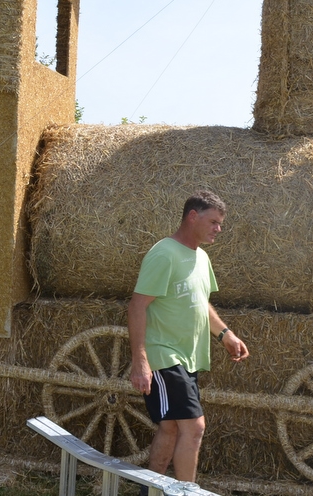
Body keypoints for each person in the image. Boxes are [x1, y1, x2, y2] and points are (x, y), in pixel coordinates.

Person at [128, 190, 249, 487]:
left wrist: (225, 334)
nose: (218, 229)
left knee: (170, 428)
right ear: (193, 216)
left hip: (188, 357)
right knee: (195, 428)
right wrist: (140, 361)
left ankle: (151, 491)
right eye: (213, 222)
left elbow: (199, 302)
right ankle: (187, 493)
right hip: (164, 355)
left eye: (220, 224)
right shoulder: (164, 253)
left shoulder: (201, 258)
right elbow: (137, 306)